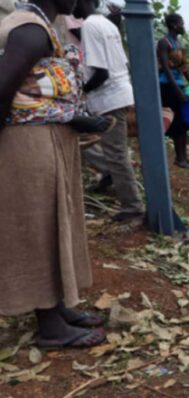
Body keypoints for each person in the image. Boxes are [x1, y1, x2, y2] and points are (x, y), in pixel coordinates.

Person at [0, 0, 112, 348]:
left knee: (57, 220)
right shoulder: (31, 31)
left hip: (46, 139)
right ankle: (49, 324)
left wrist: (72, 118)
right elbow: (3, 89)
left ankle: (58, 306)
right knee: (39, 229)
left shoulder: (44, 27)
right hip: (29, 144)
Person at [76, 0, 145, 222]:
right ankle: (108, 173)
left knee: (116, 153)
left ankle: (133, 205)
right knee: (81, 138)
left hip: (109, 98)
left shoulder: (89, 26)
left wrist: (80, 91)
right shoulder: (107, 24)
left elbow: (101, 73)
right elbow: (121, 64)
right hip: (118, 93)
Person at [157, 13, 189, 169]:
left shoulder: (177, 44)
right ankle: (180, 158)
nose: (183, 26)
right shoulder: (164, 43)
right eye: (181, 23)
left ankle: (184, 157)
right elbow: (166, 69)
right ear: (174, 25)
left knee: (183, 122)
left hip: (177, 86)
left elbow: (183, 68)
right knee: (177, 122)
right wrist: (178, 91)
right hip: (168, 86)